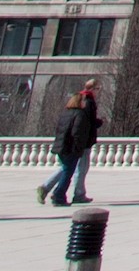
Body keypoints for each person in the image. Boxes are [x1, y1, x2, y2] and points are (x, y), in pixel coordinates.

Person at [37, 80, 101, 208]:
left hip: (63, 146)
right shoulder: (86, 105)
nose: (99, 91)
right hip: (77, 146)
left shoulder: (67, 112)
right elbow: (80, 129)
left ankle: (50, 189)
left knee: (67, 169)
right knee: (75, 170)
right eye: (98, 88)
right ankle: (65, 194)